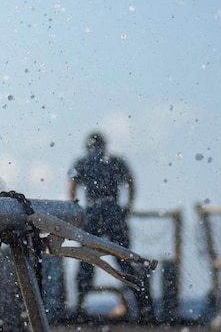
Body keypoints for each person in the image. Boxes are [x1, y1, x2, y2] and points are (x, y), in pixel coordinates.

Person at [68, 132, 154, 322]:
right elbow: (130, 184)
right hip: (113, 212)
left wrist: (76, 207)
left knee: (87, 259)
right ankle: (143, 308)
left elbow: (72, 184)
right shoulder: (115, 162)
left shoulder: (83, 162)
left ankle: (80, 306)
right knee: (124, 259)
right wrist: (127, 208)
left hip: (93, 212)